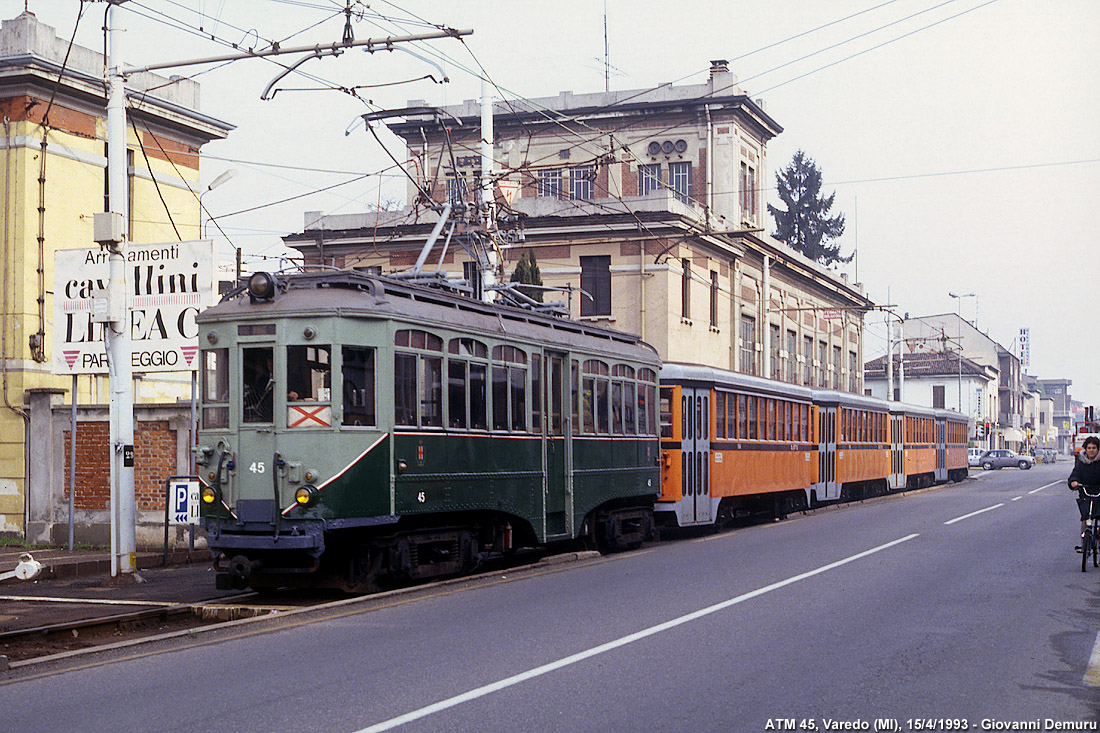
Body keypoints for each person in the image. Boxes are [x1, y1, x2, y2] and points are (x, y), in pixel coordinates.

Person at [1068, 436, 1100, 550]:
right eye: (1089, 448)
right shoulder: (1081, 462)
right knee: (1086, 518)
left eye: (1094, 448)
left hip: (1099, 493)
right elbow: (1075, 474)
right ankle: (1084, 544)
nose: (1091, 450)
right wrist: (1073, 482)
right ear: (1085, 449)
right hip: (1085, 493)